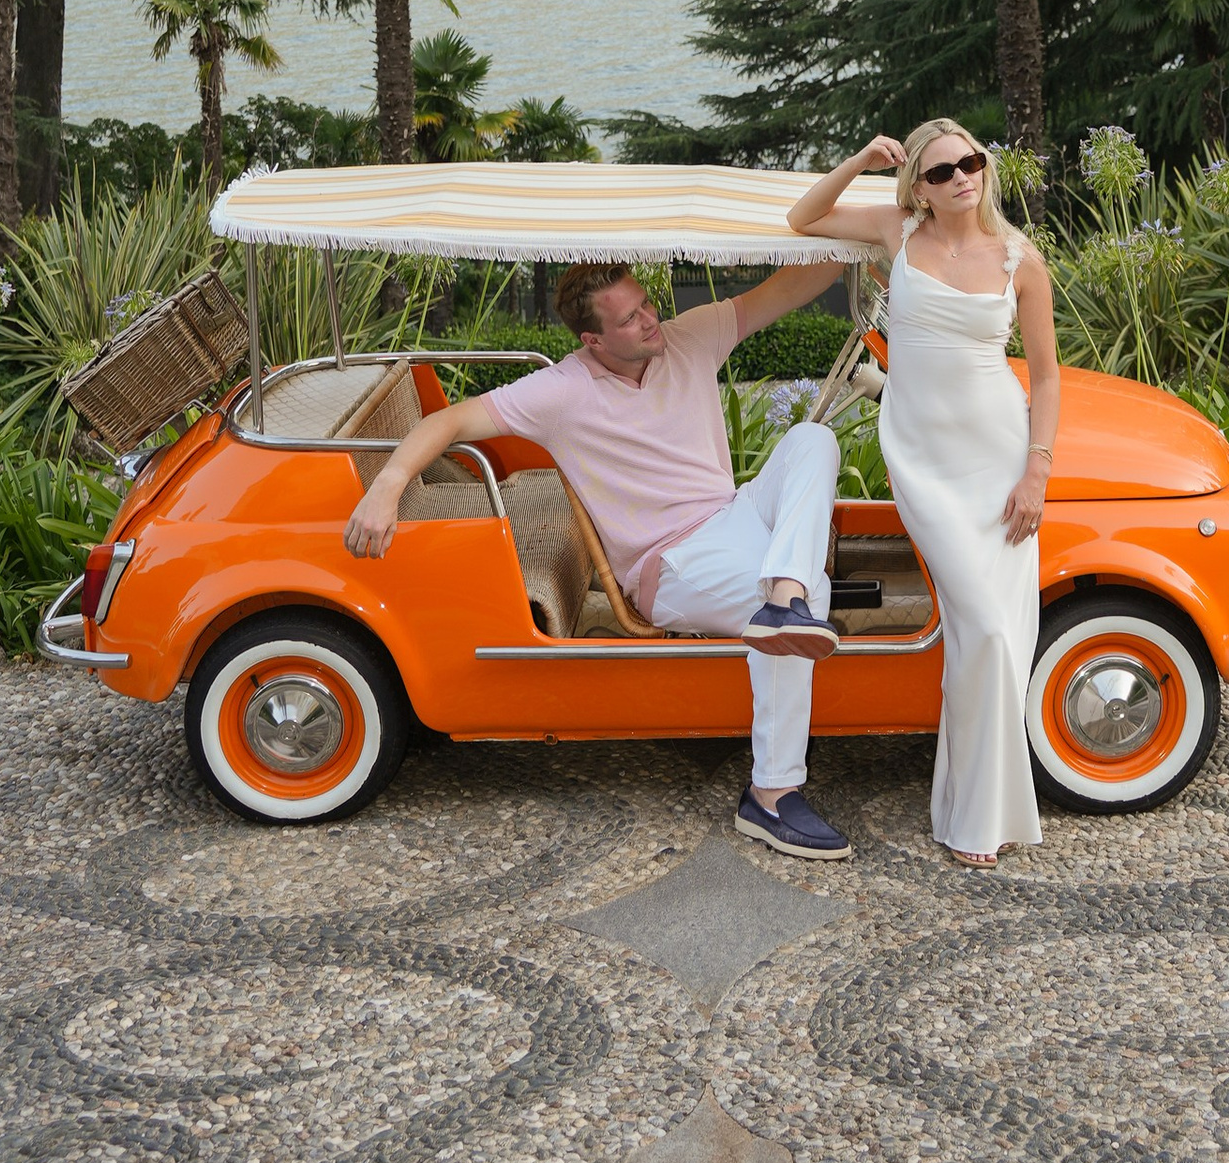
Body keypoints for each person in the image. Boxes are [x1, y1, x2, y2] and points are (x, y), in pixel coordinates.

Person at [345, 258, 856, 858]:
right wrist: (387, 485)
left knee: (812, 442)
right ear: (593, 341)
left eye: (645, 304)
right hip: (670, 562)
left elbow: (785, 287)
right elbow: (451, 419)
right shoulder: (562, 391)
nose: (649, 320)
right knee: (809, 596)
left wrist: (863, 242)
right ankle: (771, 797)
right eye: (629, 318)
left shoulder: (687, 337)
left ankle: (785, 598)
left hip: (736, 512)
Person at [787, 123, 1059, 867]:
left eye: (971, 162)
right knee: (983, 626)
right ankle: (974, 810)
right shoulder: (894, 231)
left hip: (999, 456)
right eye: (942, 171)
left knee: (996, 639)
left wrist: (1037, 469)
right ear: (920, 187)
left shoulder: (1019, 259)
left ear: (985, 167)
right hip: (922, 458)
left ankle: (977, 814)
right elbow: (803, 218)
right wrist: (860, 160)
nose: (961, 178)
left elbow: (1047, 374)